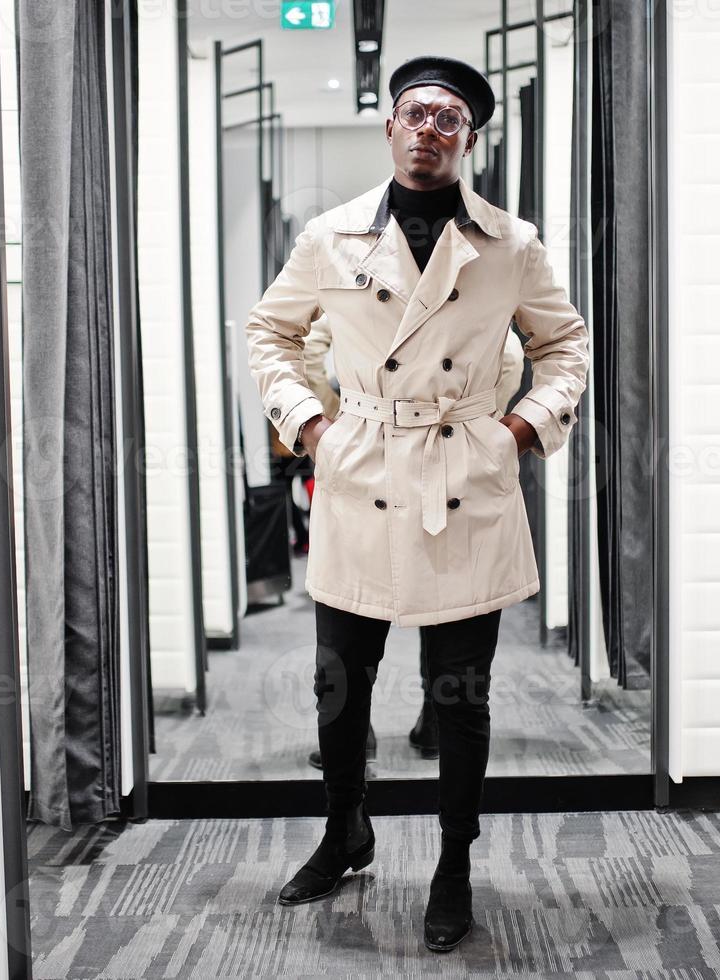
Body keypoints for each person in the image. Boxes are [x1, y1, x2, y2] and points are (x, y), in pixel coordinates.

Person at [244, 54, 589, 952]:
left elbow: (565, 348)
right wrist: (308, 427)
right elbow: (270, 332)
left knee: (460, 695)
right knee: (338, 685)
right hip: (359, 472)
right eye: (414, 114)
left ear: (467, 139)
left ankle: (452, 863)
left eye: (447, 120)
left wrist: (519, 432)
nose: (427, 131)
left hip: (463, 477)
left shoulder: (511, 243)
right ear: (389, 126)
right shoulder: (331, 236)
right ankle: (342, 830)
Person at [302, 321, 527, 769]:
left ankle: (359, 727)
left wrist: (336, 424)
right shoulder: (461, 268)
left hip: (370, 454)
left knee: (361, 599)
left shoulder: (359, 264)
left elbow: (309, 350)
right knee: (435, 590)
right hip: (444, 455)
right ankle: (433, 721)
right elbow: (511, 354)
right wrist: (481, 423)